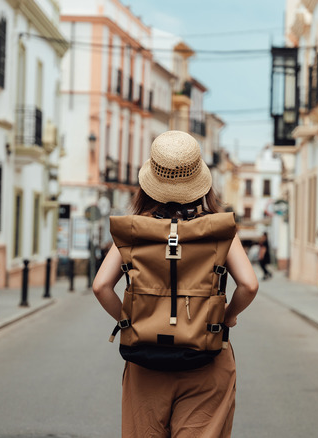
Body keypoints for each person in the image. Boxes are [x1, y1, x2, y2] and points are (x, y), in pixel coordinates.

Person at [92, 130, 259, 437]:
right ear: (200, 180)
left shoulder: (135, 230)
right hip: (206, 357)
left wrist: (131, 322)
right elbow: (248, 284)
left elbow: (101, 286)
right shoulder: (218, 230)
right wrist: (227, 317)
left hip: (146, 362)